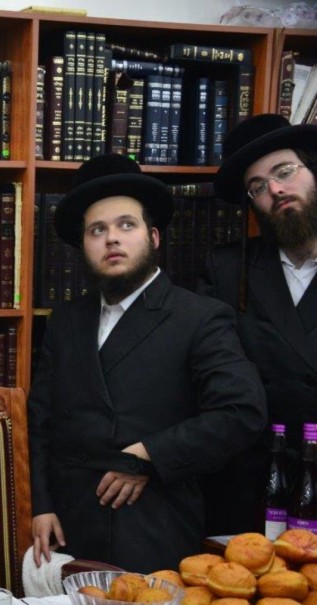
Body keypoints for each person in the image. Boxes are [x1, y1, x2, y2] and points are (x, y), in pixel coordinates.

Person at [28, 154, 266, 573]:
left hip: (152, 525)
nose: (111, 239)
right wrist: (41, 505)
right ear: (83, 246)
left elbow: (241, 411)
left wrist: (149, 454)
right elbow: (41, 418)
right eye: (97, 230)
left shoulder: (200, 317)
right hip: (68, 525)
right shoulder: (65, 320)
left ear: (153, 237)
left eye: (126, 225)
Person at [198, 114, 317, 534]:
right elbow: (212, 376)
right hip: (250, 483)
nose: (276, 190)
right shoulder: (227, 268)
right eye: (258, 187)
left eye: (284, 172)